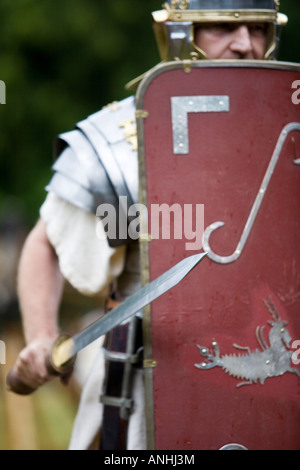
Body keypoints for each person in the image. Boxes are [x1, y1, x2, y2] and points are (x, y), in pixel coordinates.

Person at [10, 0, 288, 450]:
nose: (245, 45)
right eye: (222, 29)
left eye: (258, 28)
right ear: (178, 34)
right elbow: (47, 244)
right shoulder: (129, 146)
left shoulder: (289, 131)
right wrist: (41, 337)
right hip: (149, 388)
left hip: (278, 378)